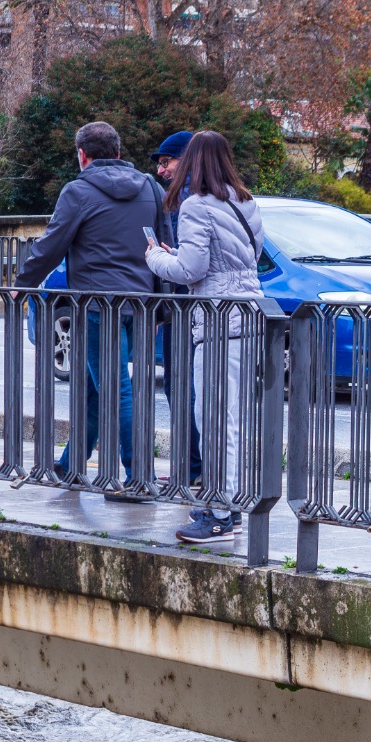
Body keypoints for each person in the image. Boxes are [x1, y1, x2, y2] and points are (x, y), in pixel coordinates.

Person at [15, 120, 162, 491]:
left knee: (115, 390)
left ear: (82, 155)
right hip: (141, 304)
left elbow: (51, 246)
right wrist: (162, 306)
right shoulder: (150, 187)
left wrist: (22, 285)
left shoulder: (78, 191)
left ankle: (139, 477)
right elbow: (164, 245)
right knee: (96, 389)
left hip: (98, 306)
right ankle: (71, 466)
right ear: (118, 151)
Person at [143, 130, 264, 544]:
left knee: (210, 419)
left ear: (193, 161)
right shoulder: (246, 202)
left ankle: (218, 515)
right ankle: (228, 508)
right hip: (247, 316)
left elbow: (191, 271)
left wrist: (156, 257)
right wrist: (179, 256)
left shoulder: (196, 205)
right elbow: (243, 259)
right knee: (230, 419)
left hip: (216, 321)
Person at [154, 129, 202, 488]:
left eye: (165, 161)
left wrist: (158, 257)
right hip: (204, 307)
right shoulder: (224, 194)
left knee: (180, 385)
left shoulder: (185, 198)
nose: (160, 170)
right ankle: (201, 467)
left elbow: (187, 264)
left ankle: (191, 467)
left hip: (184, 305)